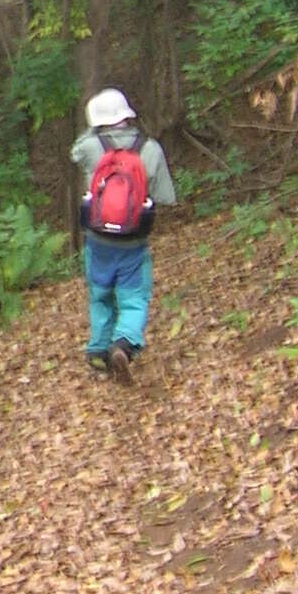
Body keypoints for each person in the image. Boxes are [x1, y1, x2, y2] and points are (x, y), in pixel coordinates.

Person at [70, 89, 176, 382]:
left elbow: (74, 151)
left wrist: (93, 131)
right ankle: (124, 344)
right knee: (133, 298)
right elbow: (165, 196)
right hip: (133, 240)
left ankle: (98, 351)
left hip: (97, 240)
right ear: (126, 115)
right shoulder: (150, 148)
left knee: (100, 295)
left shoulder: (91, 146)